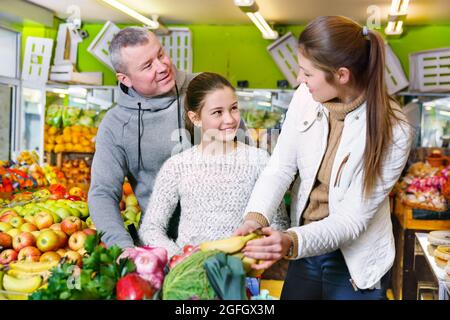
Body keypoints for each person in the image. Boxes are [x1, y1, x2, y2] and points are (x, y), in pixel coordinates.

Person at [234, 16, 414, 300]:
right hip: (305, 250)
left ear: (341, 75)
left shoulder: (394, 128)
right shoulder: (304, 97)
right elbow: (280, 166)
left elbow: (351, 219)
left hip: (354, 261)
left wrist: (291, 241)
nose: (299, 80)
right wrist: (255, 216)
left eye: (307, 73)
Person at [88, 27, 248, 249]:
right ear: (125, 79)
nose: (162, 67)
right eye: (147, 66)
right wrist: (123, 247)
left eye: (161, 54)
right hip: (162, 244)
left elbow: (247, 160)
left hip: (229, 237)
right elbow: (102, 193)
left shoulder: (206, 91)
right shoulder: (116, 125)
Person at [138, 72, 289, 258]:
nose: (230, 119)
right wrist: (179, 257)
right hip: (189, 274)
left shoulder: (259, 159)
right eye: (218, 112)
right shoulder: (177, 166)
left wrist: (254, 252)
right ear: (195, 118)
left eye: (233, 108)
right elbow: (150, 228)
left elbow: (279, 223)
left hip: (244, 274)